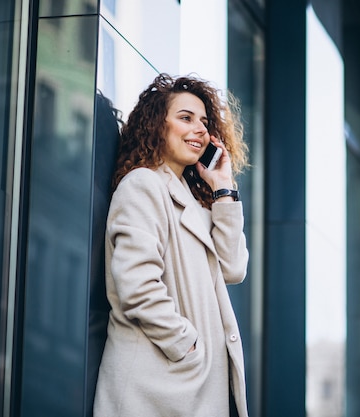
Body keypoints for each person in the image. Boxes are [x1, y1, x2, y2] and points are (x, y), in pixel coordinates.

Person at [93, 74, 250, 417]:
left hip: (189, 387)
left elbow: (234, 268)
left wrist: (223, 187)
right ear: (156, 126)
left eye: (205, 123)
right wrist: (188, 345)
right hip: (155, 387)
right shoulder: (143, 185)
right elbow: (137, 287)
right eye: (185, 118)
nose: (200, 130)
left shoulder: (196, 204)